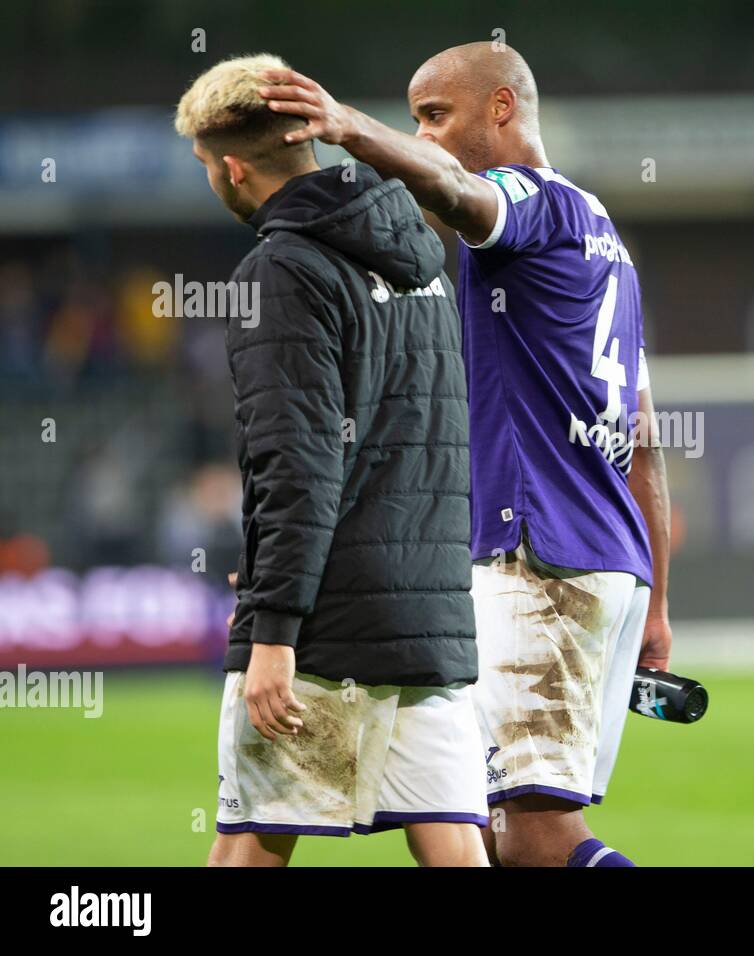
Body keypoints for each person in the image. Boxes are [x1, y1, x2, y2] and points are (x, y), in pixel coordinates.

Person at [258, 42, 673, 867]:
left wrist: (349, 128)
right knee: (489, 828)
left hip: (539, 558)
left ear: (503, 110)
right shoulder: (606, 240)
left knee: (538, 839)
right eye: (415, 119)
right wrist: (657, 604)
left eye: (435, 114)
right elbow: (647, 441)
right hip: (611, 562)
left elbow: (457, 192)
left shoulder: (529, 204)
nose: (425, 134)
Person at [175, 53, 487, 866]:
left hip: (327, 628)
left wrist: (273, 627)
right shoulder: (422, 259)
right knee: (454, 843)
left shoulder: (279, 272)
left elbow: (298, 460)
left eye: (209, 166)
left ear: (233, 169)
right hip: (427, 618)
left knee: (250, 841)